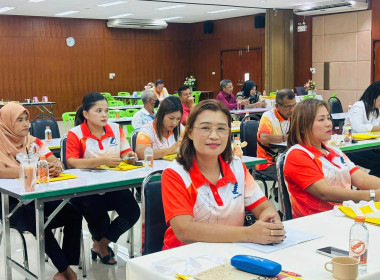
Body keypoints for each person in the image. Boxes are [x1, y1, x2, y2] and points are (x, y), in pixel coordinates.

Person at [161, 99, 285, 250]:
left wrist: (271, 221)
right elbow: (184, 230)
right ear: (190, 132)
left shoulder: (236, 166)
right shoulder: (175, 174)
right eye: (205, 128)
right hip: (184, 258)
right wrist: (249, 233)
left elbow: (264, 207)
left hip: (231, 253)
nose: (214, 136)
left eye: (221, 129)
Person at [0, 103, 81, 280]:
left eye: (26, 119)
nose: (25, 124)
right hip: (10, 203)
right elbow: (1, 172)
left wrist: (56, 167)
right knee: (37, 219)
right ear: (6, 123)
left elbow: (54, 160)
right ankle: (67, 272)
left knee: (73, 213)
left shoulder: (33, 141)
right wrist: (34, 169)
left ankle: (65, 266)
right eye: (19, 120)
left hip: (37, 196)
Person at [66, 92, 140, 265]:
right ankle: (102, 245)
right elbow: (71, 162)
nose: (104, 115)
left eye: (106, 111)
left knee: (133, 212)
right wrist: (101, 161)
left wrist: (130, 155)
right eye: (98, 111)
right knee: (98, 217)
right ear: (86, 114)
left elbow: (124, 152)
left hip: (114, 185)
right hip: (87, 189)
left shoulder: (115, 129)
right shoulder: (75, 134)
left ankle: (101, 244)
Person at [283, 98, 380, 219]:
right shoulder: (297, 155)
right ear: (303, 127)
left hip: (344, 214)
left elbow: (361, 178)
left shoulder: (335, 151)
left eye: (328, 118)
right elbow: (324, 193)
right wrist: (372, 195)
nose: (329, 123)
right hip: (315, 221)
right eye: (321, 119)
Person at [256, 89, 296, 181]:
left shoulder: (294, 115)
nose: (292, 109)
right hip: (268, 163)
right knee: (292, 176)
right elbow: (264, 138)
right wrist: (286, 138)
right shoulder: (268, 117)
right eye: (288, 106)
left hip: (288, 160)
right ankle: (282, 194)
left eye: (294, 105)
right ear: (277, 106)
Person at [344, 81, 380, 177]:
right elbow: (358, 128)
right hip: (354, 147)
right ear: (374, 95)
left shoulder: (377, 110)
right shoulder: (358, 106)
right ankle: (367, 189)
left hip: (370, 145)